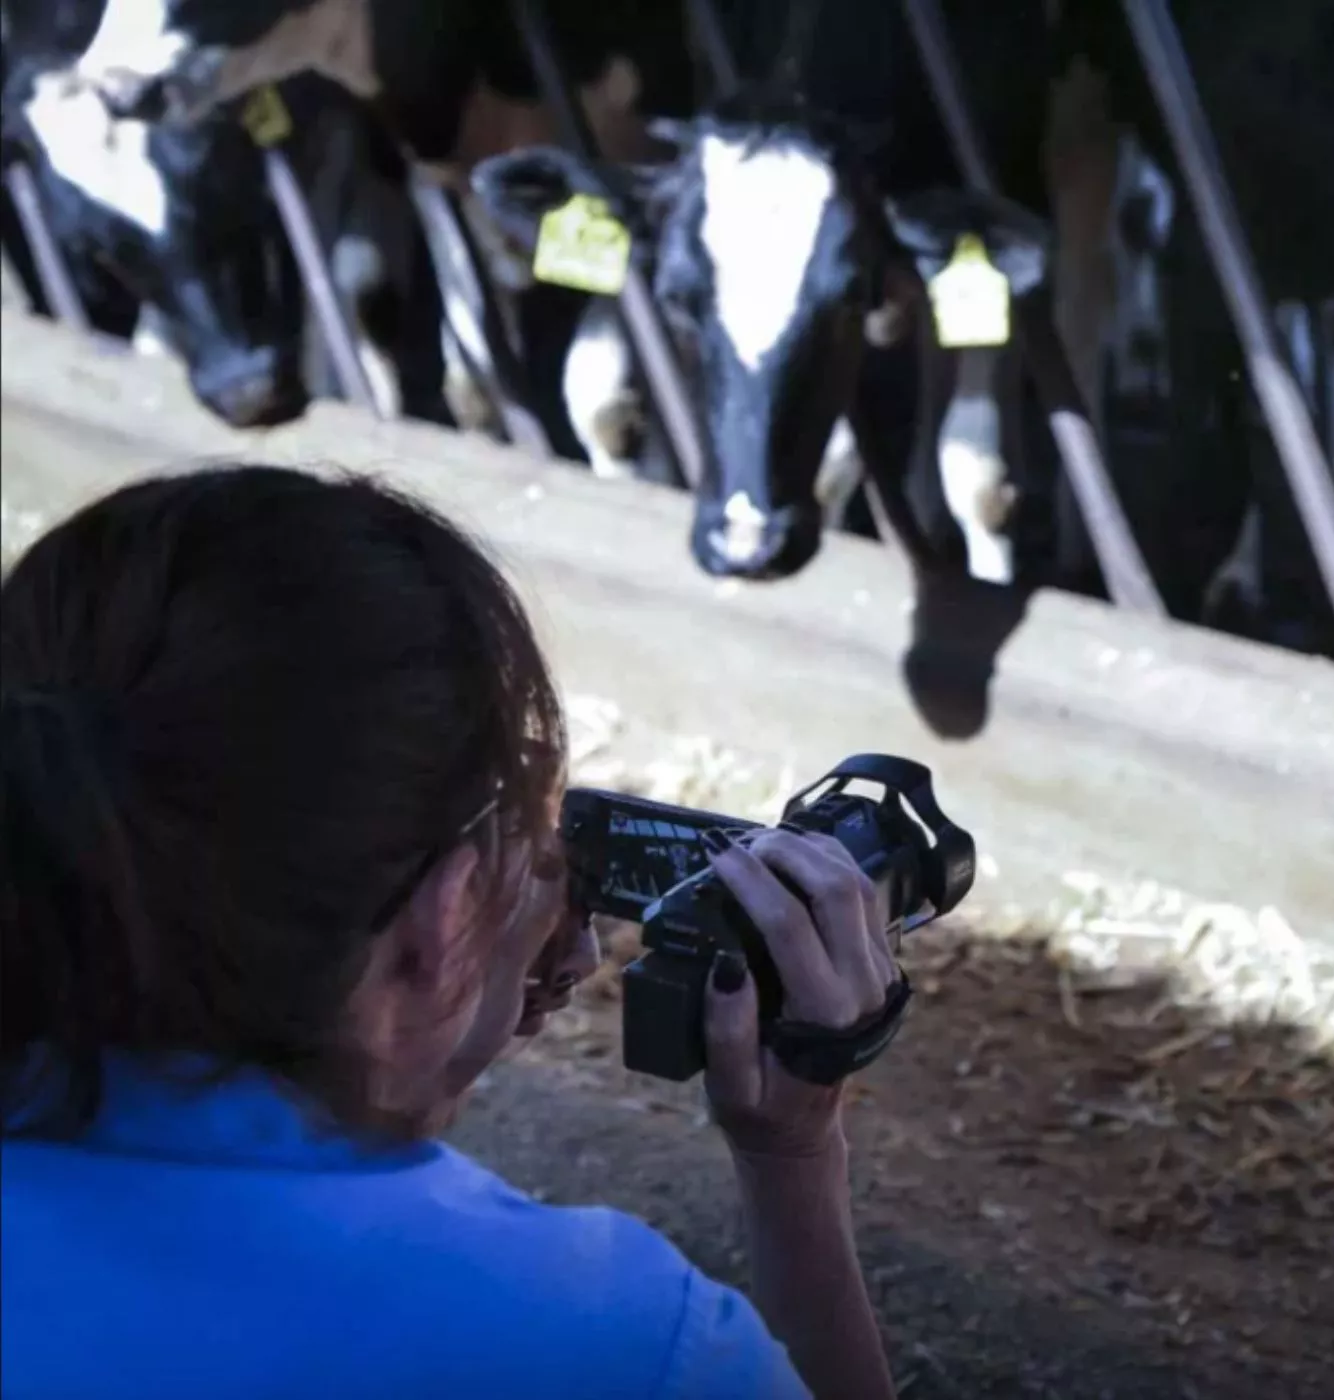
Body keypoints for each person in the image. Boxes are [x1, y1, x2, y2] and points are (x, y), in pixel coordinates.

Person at [1, 464, 899, 1400]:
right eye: (525, 838)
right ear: (442, 916)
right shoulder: (605, 1345)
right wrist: (792, 1154)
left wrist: (449, 998)